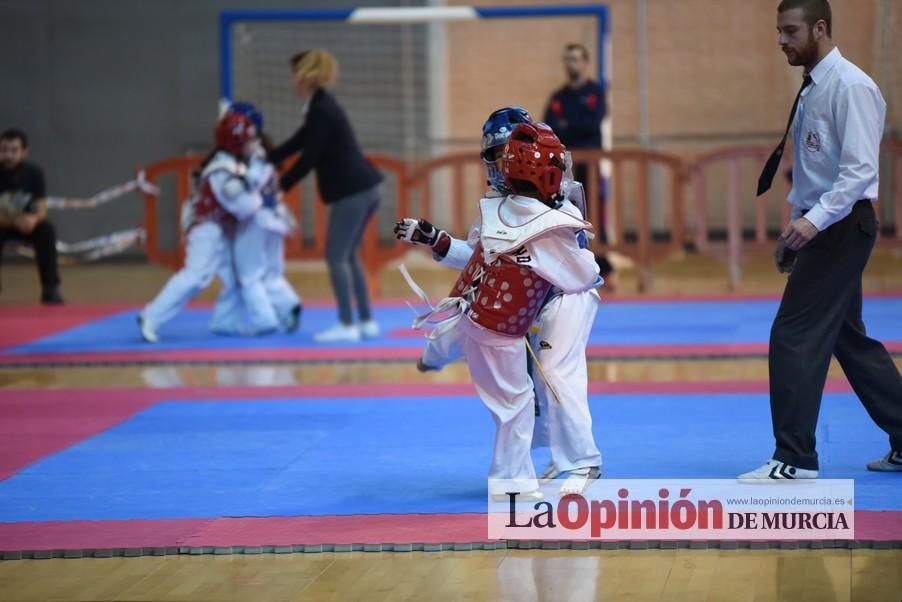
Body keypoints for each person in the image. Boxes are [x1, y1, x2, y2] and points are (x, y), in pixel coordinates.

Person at [395, 108, 603, 495]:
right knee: (476, 330)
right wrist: (436, 240)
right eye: (502, 155)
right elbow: (481, 255)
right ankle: (553, 456)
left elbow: (581, 271)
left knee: (553, 373)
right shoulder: (496, 206)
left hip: (563, 297)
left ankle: (583, 460)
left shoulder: (559, 206)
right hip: (516, 302)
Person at [739, 0, 902, 480]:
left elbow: (858, 172)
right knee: (848, 339)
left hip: (842, 226)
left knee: (792, 335)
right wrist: (796, 224)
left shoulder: (851, 86)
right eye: (778, 31)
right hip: (823, 224)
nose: (781, 41)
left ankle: (794, 459)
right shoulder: (815, 86)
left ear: (820, 27)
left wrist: (813, 224)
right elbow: (813, 171)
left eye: (790, 31)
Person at [268, 49, 382, 343]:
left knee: (335, 256)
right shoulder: (320, 106)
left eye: (294, 75)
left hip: (354, 190)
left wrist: (278, 187)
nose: (291, 81)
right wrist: (269, 157)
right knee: (348, 256)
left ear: (305, 76)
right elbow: (299, 141)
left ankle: (347, 324)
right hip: (365, 187)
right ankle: (366, 321)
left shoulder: (322, 110)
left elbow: (309, 158)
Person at [139, 112, 269, 342]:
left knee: (233, 277)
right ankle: (151, 316)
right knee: (195, 276)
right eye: (247, 139)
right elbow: (244, 208)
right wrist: (257, 183)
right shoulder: (222, 170)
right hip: (206, 230)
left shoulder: (231, 165)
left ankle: (225, 322)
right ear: (237, 142)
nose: (252, 144)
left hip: (220, 230)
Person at [209, 102, 303, 336]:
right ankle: (288, 306)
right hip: (274, 219)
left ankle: (264, 320)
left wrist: (238, 183)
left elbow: (251, 183)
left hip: (258, 219)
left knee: (248, 275)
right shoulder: (259, 152)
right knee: (271, 273)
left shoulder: (254, 154)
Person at [543, 43, 615, 286]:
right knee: (565, 214)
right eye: (568, 59)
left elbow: (592, 125)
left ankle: (605, 268)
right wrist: (569, 127)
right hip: (564, 168)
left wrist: (568, 126)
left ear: (585, 62)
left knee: (594, 212)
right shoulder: (558, 98)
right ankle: (567, 268)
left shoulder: (596, 93)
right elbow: (551, 127)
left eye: (576, 59)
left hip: (591, 167)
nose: (571, 63)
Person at [0, 129, 63, 304]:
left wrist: (34, 219)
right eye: (4, 150)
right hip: (3, 225)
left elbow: (42, 207)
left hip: (27, 225)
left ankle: (50, 289)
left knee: (47, 230)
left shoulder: (34, 173)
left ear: (24, 152)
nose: (8, 155)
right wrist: (13, 221)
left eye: (14, 150)